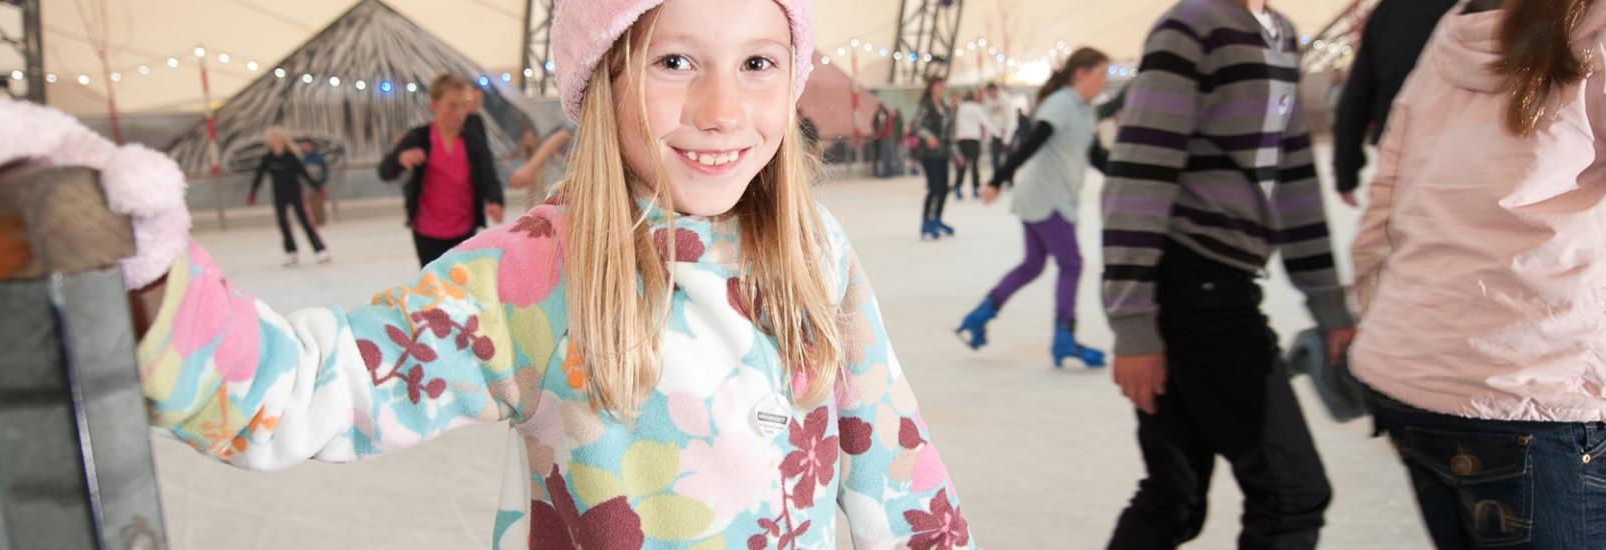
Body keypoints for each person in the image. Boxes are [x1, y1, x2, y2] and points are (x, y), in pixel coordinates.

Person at [127, 0, 976, 547]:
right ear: (600, 79)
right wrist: (145, 270)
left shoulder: (812, 248)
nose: (722, 111)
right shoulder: (531, 274)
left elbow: (896, 472)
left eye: (757, 62)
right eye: (674, 61)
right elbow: (307, 389)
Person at [1350, 1, 1606, 547]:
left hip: (1413, 377)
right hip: (1541, 391)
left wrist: (1388, 321)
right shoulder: (1603, 32)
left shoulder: (1458, 28)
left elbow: (1386, 199)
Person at [1099, 0, 1353, 547]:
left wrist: (1328, 302)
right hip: (1194, 288)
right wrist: (1134, 327)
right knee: (1290, 496)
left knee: (1175, 495)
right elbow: (1137, 177)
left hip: (1224, 282)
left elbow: (1295, 179)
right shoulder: (1191, 27)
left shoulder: (1280, 34)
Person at [956, 47, 1114, 369]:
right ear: (1081, 73)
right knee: (1071, 263)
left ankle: (978, 316)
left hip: (1046, 197)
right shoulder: (1061, 105)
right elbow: (1032, 143)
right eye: (1101, 75)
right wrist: (998, 178)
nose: (1104, 83)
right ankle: (1064, 337)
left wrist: (1134, 175)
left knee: (1033, 264)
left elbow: (1097, 157)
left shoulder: (1084, 110)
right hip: (1046, 198)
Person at [1330, 0, 1458, 207]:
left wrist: (1346, 169)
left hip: (1399, 151)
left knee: (1402, 231)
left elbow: (1358, 94)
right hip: (1468, 152)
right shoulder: (1483, 8)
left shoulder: (1390, 10)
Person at [379, 74, 506, 268]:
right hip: (426, 232)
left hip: (464, 229)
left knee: (462, 286)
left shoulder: (473, 140)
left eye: (463, 105)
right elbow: (384, 171)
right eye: (452, 106)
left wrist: (495, 200)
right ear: (435, 105)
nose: (459, 113)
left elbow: (488, 173)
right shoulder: (418, 137)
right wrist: (400, 159)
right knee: (433, 288)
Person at [247, 127, 329, 266]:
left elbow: (304, 174)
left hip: (295, 193)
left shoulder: (291, 157)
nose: (276, 145)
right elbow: (259, 176)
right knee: (282, 222)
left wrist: (317, 187)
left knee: (304, 221)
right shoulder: (268, 159)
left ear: (283, 142)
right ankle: (291, 252)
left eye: (278, 141)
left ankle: (320, 249)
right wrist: (253, 193)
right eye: (273, 142)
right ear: (270, 143)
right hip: (279, 195)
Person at [911, 76, 956, 240]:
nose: (941, 88)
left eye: (943, 85)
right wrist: (928, 137)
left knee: (944, 188)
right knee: (934, 187)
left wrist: (956, 153)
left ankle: (937, 219)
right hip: (929, 154)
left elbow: (949, 132)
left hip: (943, 153)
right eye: (938, 85)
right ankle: (926, 222)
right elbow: (916, 125)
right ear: (931, 87)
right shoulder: (926, 106)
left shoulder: (944, 107)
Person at [952, 90, 987, 201]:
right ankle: (975, 189)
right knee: (974, 165)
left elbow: (954, 123)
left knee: (961, 165)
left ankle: (958, 187)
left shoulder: (960, 108)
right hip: (973, 139)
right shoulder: (977, 108)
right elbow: (984, 121)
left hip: (961, 139)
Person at [978, 82, 1019, 175]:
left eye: (993, 92)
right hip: (996, 133)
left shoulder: (1006, 100)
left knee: (1009, 157)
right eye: (989, 92)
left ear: (996, 90)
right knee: (995, 158)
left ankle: (1009, 178)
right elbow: (987, 120)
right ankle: (996, 178)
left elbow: (1011, 119)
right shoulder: (987, 103)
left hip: (1008, 131)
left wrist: (1007, 138)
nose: (991, 94)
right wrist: (993, 134)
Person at [298, 138, 332, 225]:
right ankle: (313, 221)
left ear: (311, 146)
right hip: (307, 185)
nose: (303, 147)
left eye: (305, 145)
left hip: (317, 184)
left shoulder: (318, 157)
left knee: (317, 204)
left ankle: (320, 221)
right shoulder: (302, 158)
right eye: (303, 145)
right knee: (309, 204)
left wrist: (321, 182)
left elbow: (326, 171)